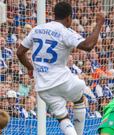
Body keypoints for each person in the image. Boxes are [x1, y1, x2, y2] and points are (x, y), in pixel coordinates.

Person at [16, 1, 104, 135]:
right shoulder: (65, 32)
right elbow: (88, 45)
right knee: (79, 98)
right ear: (69, 17)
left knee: (63, 117)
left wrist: (30, 67)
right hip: (62, 80)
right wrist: (98, 24)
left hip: (43, 87)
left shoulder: (37, 29)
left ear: (54, 14)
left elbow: (20, 52)